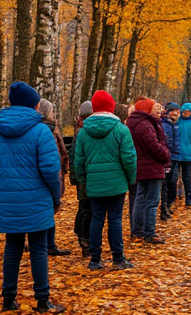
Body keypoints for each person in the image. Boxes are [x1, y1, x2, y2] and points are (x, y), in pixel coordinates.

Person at [0, 82, 64, 313]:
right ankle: (42, 301)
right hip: (38, 199)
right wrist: (54, 196)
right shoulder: (41, 131)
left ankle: (8, 300)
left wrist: (7, 185)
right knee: (39, 249)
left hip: (9, 201)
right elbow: (51, 169)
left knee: (12, 249)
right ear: (35, 104)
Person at [73, 91, 138, 270]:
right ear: (111, 107)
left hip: (93, 184)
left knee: (96, 219)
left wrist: (84, 179)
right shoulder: (121, 129)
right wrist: (130, 178)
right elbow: (129, 158)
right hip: (116, 183)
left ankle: (95, 259)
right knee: (115, 220)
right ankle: (118, 259)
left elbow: (78, 161)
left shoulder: (84, 132)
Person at [127, 97, 171, 244]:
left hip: (142, 166)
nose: (158, 110)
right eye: (154, 107)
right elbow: (153, 145)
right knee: (151, 200)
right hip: (151, 167)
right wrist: (165, 154)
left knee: (140, 199)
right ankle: (148, 232)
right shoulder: (145, 125)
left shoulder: (137, 122)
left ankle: (138, 231)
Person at [39, 99, 72, 256]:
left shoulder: (53, 127)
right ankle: (46, 244)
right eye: (51, 111)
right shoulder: (44, 130)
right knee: (47, 210)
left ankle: (48, 243)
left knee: (50, 210)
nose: (54, 114)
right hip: (48, 177)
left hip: (55, 174)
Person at [69, 100, 94, 257]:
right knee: (87, 208)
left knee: (84, 206)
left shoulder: (80, 127)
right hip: (85, 175)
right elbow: (76, 155)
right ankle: (84, 240)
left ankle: (81, 233)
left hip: (82, 175)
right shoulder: (83, 131)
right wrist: (76, 175)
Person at [160, 102, 181, 220]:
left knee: (173, 183)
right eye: (174, 110)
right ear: (168, 112)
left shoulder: (177, 125)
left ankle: (169, 204)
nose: (176, 113)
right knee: (165, 184)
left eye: (178, 111)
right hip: (167, 158)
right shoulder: (163, 125)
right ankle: (164, 208)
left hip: (176, 157)